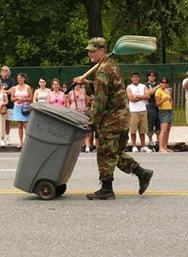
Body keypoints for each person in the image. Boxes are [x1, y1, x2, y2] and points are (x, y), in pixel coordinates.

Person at [77, 37, 154, 200]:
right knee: (115, 153)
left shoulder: (103, 70)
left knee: (105, 153)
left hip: (111, 120)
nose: (90, 53)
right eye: (89, 50)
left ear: (102, 51)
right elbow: (107, 90)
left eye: (93, 50)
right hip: (122, 118)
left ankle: (106, 189)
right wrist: (86, 83)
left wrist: (92, 123)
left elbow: (100, 100)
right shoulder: (110, 66)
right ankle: (142, 173)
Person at [126, 72, 152, 152]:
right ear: (131, 78)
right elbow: (131, 99)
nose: (135, 79)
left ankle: (143, 146)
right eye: (134, 77)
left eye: (137, 77)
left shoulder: (143, 86)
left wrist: (137, 96)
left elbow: (148, 96)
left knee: (142, 130)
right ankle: (134, 145)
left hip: (142, 110)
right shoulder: (129, 87)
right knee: (133, 129)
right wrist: (142, 97)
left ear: (139, 78)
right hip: (133, 111)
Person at [67, 82, 92, 153]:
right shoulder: (71, 92)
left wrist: (84, 106)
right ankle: (74, 146)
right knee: (74, 129)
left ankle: (87, 146)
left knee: (84, 128)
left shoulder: (83, 91)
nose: (76, 85)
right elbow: (69, 101)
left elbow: (88, 99)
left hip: (82, 112)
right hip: (73, 111)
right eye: (75, 84)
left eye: (77, 84)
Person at [11, 73, 33, 148]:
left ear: (24, 79)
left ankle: (27, 141)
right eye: (18, 78)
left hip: (25, 107)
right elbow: (12, 99)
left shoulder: (28, 87)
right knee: (19, 125)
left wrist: (23, 99)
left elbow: (31, 98)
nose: (19, 80)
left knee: (25, 125)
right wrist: (17, 99)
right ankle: (21, 142)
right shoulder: (14, 88)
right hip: (17, 108)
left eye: (21, 78)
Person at [144, 70, 161, 151]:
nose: (152, 77)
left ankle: (158, 140)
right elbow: (149, 93)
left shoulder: (159, 83)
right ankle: (150, 141)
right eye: (150, 75)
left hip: (159, 105)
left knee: (159, 123)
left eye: (153, 75)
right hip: (150, 105)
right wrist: (157, 87)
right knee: (150, 123)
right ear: (148, 76)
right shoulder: (145, 84)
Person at [155, 77, 173, 153]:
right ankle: (161, 147)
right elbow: (157, 104)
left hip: (169, 110)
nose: (164, 84)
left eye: (165, 82)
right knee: (164, 130)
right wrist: (163, 99)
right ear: (160, 83)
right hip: (163, 111)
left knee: (168, 130)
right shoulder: (158, 92)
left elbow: (171, 100)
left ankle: (165, 146)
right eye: (162, 82)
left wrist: (171, 100)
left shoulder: (167, 91)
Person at [0, 66, 17, 145]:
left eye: (6, 70)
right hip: (0, 103)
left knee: (8, 121)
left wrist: (3, 91)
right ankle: (0, 138)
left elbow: (12, 91)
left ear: (9, 72)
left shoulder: (12, 81)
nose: (4, 71)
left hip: (9, 104)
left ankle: (7, 138)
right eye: (3, 70)